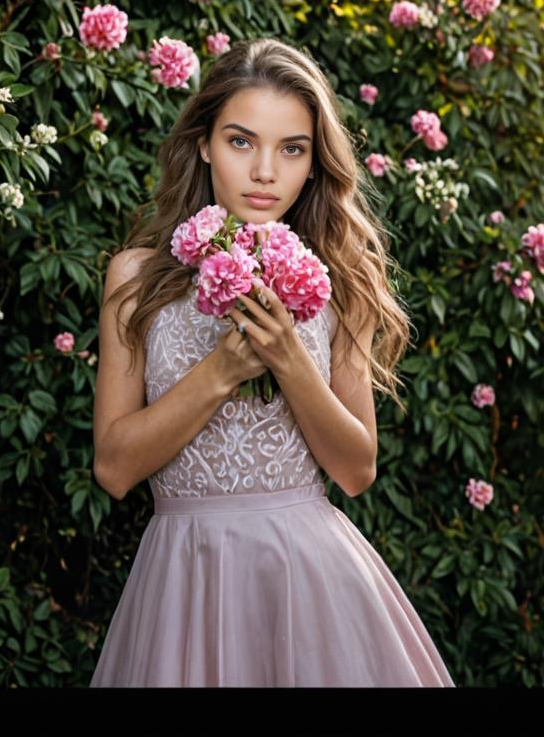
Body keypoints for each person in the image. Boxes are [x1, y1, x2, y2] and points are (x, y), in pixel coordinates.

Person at [89, 37, 455, 687]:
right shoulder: (135, 276)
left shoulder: (341, 277)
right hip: (185, 577)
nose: (265, 171)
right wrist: (222, 371)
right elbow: (114, 469)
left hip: (309, 580)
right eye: (241, 141)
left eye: (292, 148)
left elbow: (355, 469)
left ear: (315, 162)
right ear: (203, 143)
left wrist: (291, 360)